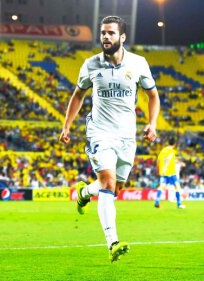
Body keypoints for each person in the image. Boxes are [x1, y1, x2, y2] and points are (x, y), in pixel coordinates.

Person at [59, 16, 160, 263]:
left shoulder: (138, 63)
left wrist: (152, 123)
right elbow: (78, 95)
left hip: (127, 134)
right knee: (107, 182)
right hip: (99, 131)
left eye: (111, 33)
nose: (106, 37)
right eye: (103, 33)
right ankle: (112, 243)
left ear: (122, 37)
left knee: (116, 188)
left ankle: (85, 192)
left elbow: (153, 96)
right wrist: (66, 126)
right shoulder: (90, 65)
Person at [154, 137, 186, 209]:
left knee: (161, 187)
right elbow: (174, 160)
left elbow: (158, 161)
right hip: (171, 173)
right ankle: (179, 204)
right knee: (177, 187)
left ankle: (157, 201)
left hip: (163, 173)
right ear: (174, 144)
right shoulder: (172, 152)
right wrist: (181, 163)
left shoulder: (162, 151)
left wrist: (158, 170)